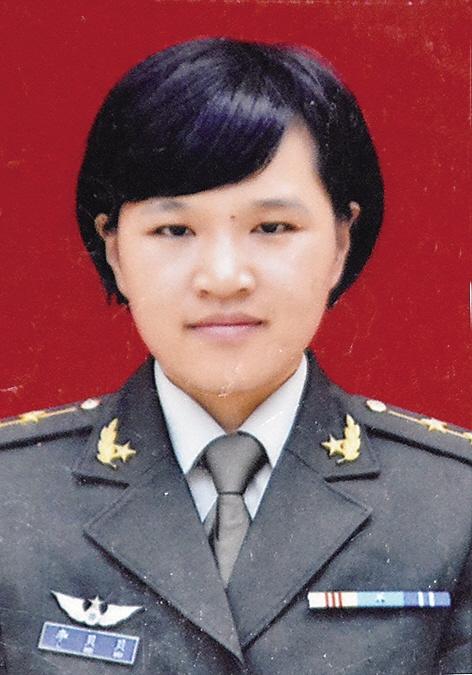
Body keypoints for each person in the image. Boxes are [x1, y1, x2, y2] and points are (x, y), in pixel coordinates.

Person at [0, 38, 470, 675]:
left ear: (340, 241)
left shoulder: (454, 504)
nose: (223, 278)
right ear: (114, 249)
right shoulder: (12, 496)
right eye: (174, 230)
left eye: (272, 228)